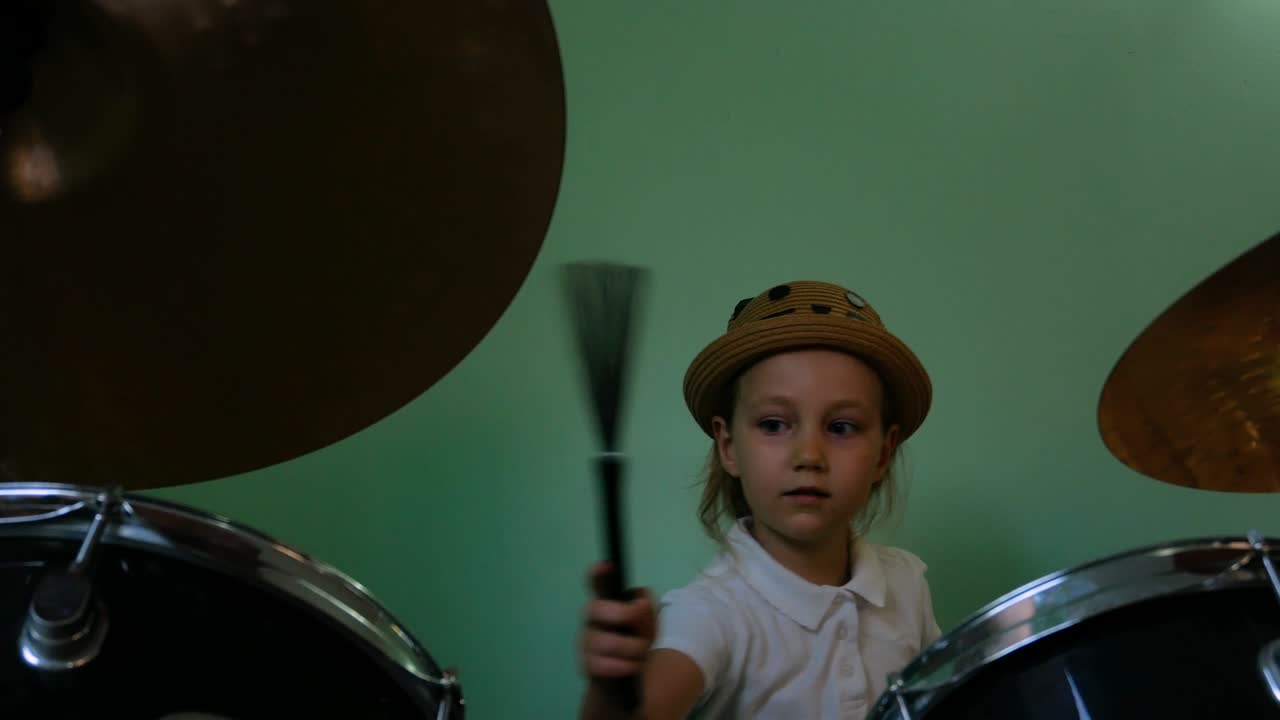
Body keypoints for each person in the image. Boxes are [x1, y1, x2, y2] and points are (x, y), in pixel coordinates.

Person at [577, 280, 942, 720]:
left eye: (841, 427)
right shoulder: (710, 613)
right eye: (773, 424)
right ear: (728, 446)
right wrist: (611, 691)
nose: (809, 456)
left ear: (884, 452)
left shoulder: (906, 582)